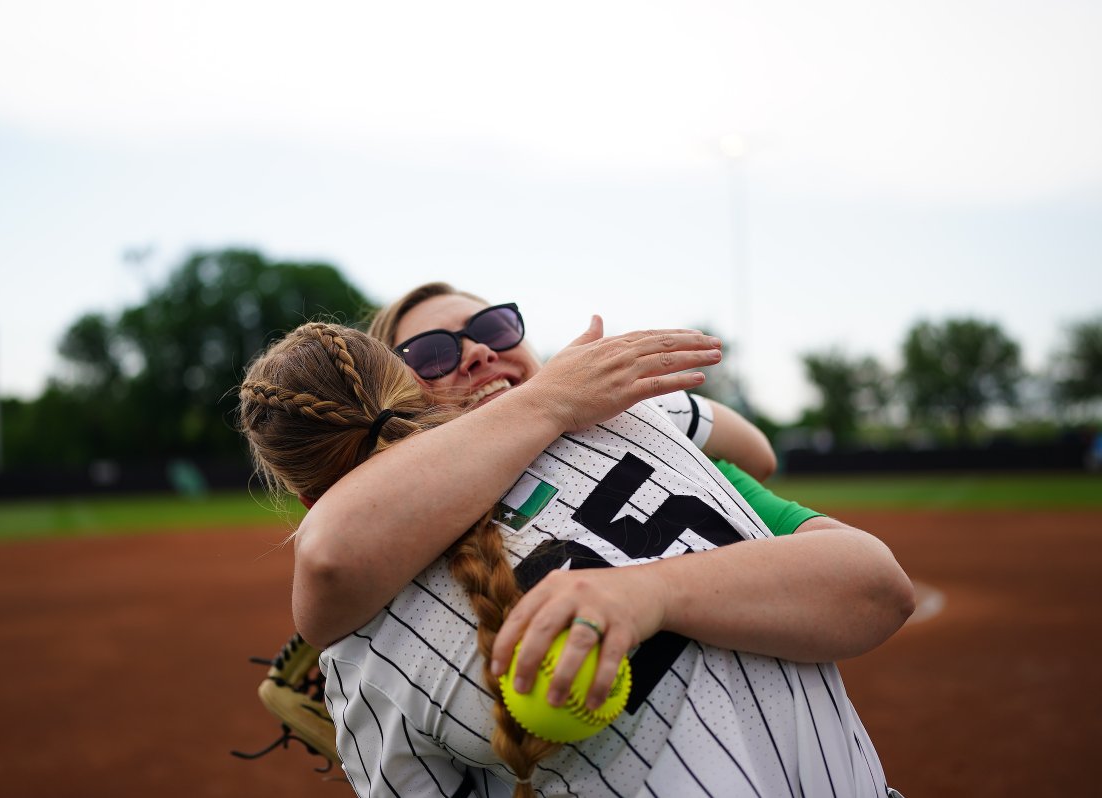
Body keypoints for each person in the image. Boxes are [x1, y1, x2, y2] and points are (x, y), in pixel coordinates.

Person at [238, 313, 914, 796]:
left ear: (301, 497)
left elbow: (875, 584)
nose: (476, 352)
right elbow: (333, 554)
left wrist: (646, 593)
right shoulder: (628, 416)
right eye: (433, 351)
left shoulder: (630, 415)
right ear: (413, 392)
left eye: (497, 327)